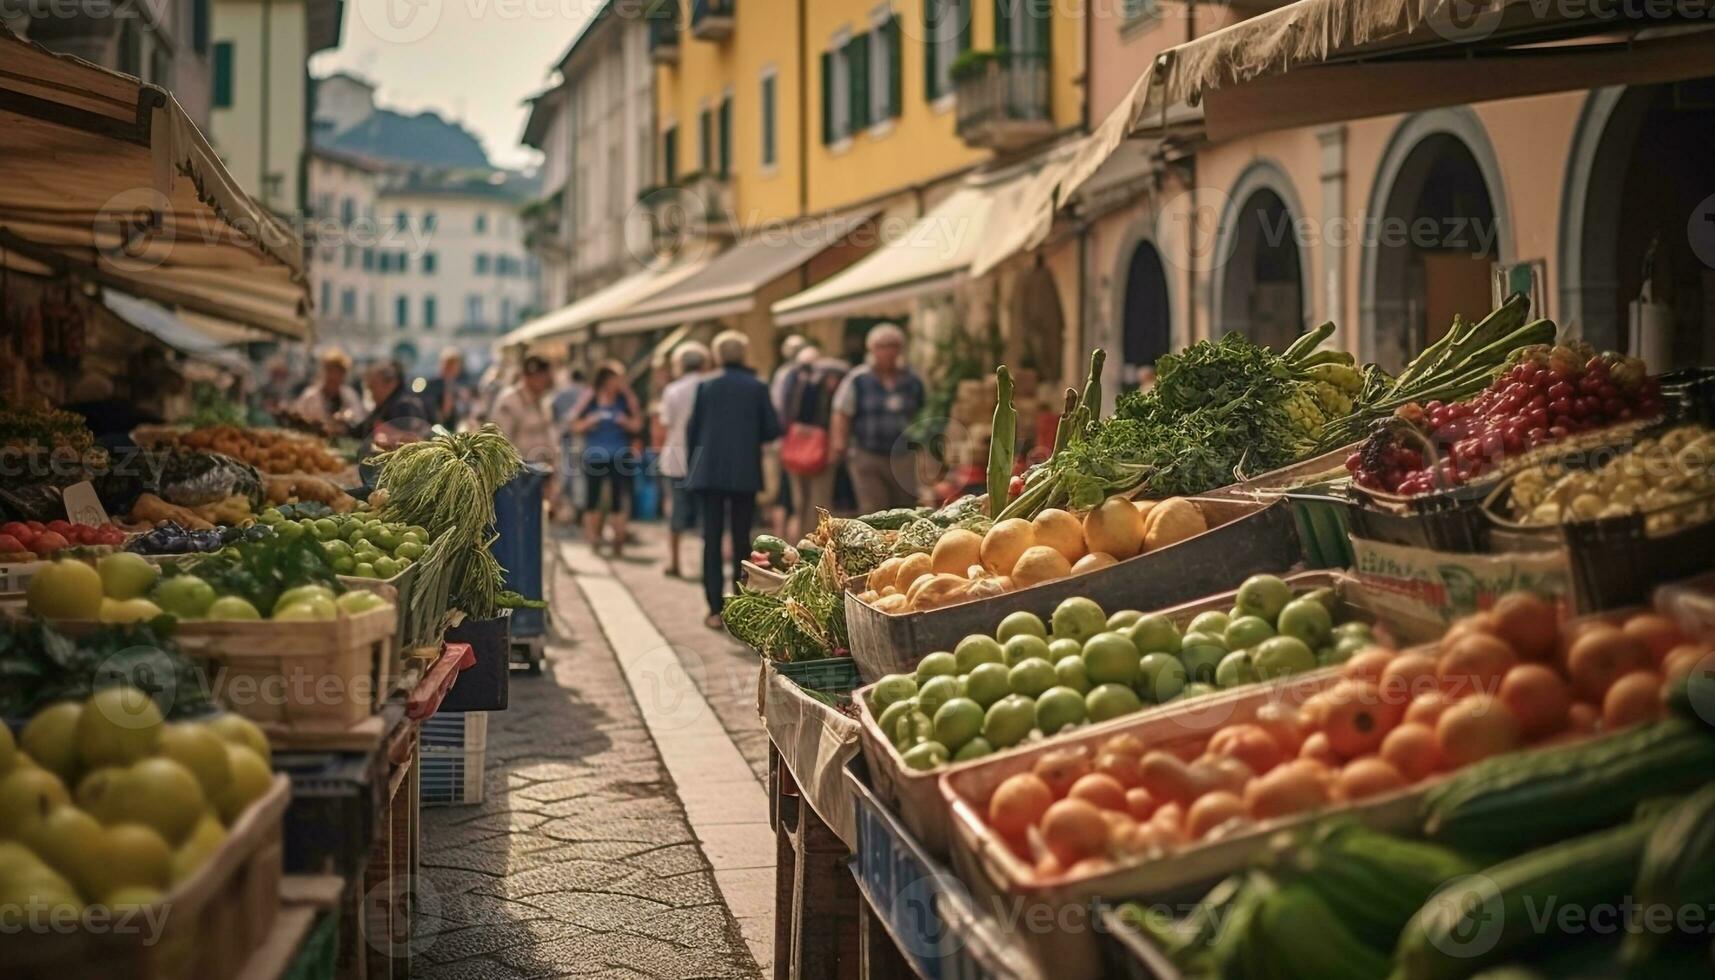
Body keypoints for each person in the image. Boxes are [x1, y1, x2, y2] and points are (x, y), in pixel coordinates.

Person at [687, 331, 782, 628]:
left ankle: (714, 608)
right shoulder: (757, 386)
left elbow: (692, 432)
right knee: (742, 539)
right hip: (744, 471)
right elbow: (772, 428)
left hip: (709, 471)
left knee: (711, 539)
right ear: (744, 354)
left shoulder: (706, 386)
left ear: (716, 355)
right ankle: (742, 603)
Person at [831, 323, 926, 514]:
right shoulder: (858, 379)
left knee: (905, 510)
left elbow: (923, 413)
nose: (888, 351)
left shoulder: (911, 380)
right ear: (872, 349)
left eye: (893, 345)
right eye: (882, 346)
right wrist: (840, 445)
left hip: (903, 455)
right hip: (867, 453)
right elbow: (842, 411)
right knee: (874, 510)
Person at [569, 361, 643, 557]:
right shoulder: (590, 398)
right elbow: (573, 424)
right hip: (594, 455)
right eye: (617, 378)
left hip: (619, 455)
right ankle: (593, 540)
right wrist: (589, 422)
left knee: (618, 500)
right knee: (592, 499)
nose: (620, 382)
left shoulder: (624, 399)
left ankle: (618, 542)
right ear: (605, 380)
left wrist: (625, 422)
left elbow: (637, 425)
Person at [779, 344, 849, 542]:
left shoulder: (796, 382)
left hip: (805, 449)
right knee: (813, 502)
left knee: (808, 502)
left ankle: (808, 542)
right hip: (814, 449)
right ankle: (810, 543)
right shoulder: (804, 384)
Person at [654, 341, 711, 578]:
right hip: (705, 459)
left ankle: (675, 561)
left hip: (676, 456)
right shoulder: (710, 386)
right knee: (704, 515)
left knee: (676, 512)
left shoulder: (673, 390)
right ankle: (703, 564)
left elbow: (664, 424)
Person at [345, 360, 431, 455]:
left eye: (373, 387)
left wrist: (393, 436)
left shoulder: (405, 406)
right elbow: (360, 430)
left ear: (391, 383)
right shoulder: (385, 405)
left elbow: (416, 441)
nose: (371, 393)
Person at [767, 334, 806, 537]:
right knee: (793, 496)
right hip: (797, 443)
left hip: (786, 442)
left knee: (785, 494)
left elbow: (777, 408)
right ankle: (788, 537)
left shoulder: (783, 374)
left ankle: (782, 535)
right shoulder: (795, 375)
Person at [491, 356, 556, 470]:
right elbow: (501, 441)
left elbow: (548, 435)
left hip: (542, 470)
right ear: (526, 377)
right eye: (538, 377)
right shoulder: (510, 400)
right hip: (519, 472)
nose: (543, 381)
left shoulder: (544, 401)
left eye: (544, 376)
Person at [550, 360, 590, 522]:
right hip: (586, 438)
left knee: (569, 473)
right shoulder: (587, 392)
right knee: (583, 476)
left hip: (567, 438)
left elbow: (554, 413)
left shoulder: (562, 393)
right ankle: (581, 508)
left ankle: (573, 508)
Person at [292, 348, 362, 432]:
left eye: (338, 372)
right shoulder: (310, 396)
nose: (333, 376)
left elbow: (359, 419)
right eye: (330, 371)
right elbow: (296, 418)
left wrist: (347, 419)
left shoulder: (350, 396)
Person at [419, 347, 469, 429]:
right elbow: (443, 414)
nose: (451, 369)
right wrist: (448, 385)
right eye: (448, 365)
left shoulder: (461, 384)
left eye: (454, 366)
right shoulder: (431, 385)